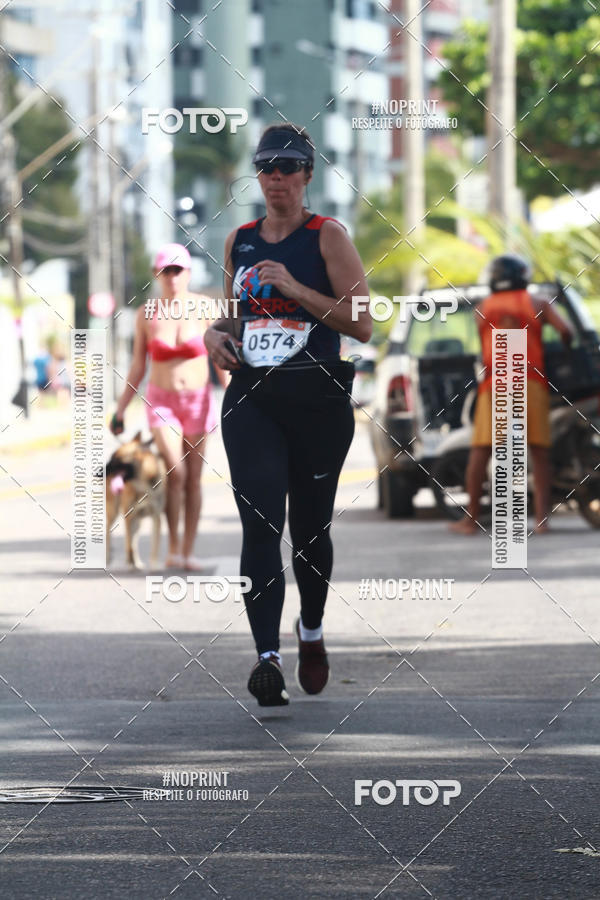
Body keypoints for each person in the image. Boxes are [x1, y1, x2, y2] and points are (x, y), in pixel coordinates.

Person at [204, 122, 372, 707]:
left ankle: (312, 631)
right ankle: (266, 658)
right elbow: (233, 318)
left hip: (317, 399)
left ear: (307, 175)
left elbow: (362, 324)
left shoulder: (328, 237)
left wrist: (296, 289)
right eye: (266, 167)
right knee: (259, 526)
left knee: (309, 530)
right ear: (258, 175)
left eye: (288, 167)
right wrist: (213, 336)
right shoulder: (239, 241)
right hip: (253, 398)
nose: (276, 178)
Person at [110, 243, 226, 569]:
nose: (172, 277)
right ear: (156, 274)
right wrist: (120, 410)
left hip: (198, 402)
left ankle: (186, 551)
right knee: (176, 471)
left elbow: (221, 362)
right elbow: (137, 366)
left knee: (193, 480)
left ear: (188, 273)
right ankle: (172, 546)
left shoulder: (206, 308)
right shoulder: (146, 314)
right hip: (162, 402)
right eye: (166, 271)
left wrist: (236, 398)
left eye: (178, 270)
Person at [451, 254, 573, 536]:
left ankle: (471, 520)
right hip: (529, 381)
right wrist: (562, 346)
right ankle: (542, 521)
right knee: (539, 452)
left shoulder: (482, 308)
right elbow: (566, 331)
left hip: (495, 384)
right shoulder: (539, 303)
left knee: (482, 451)